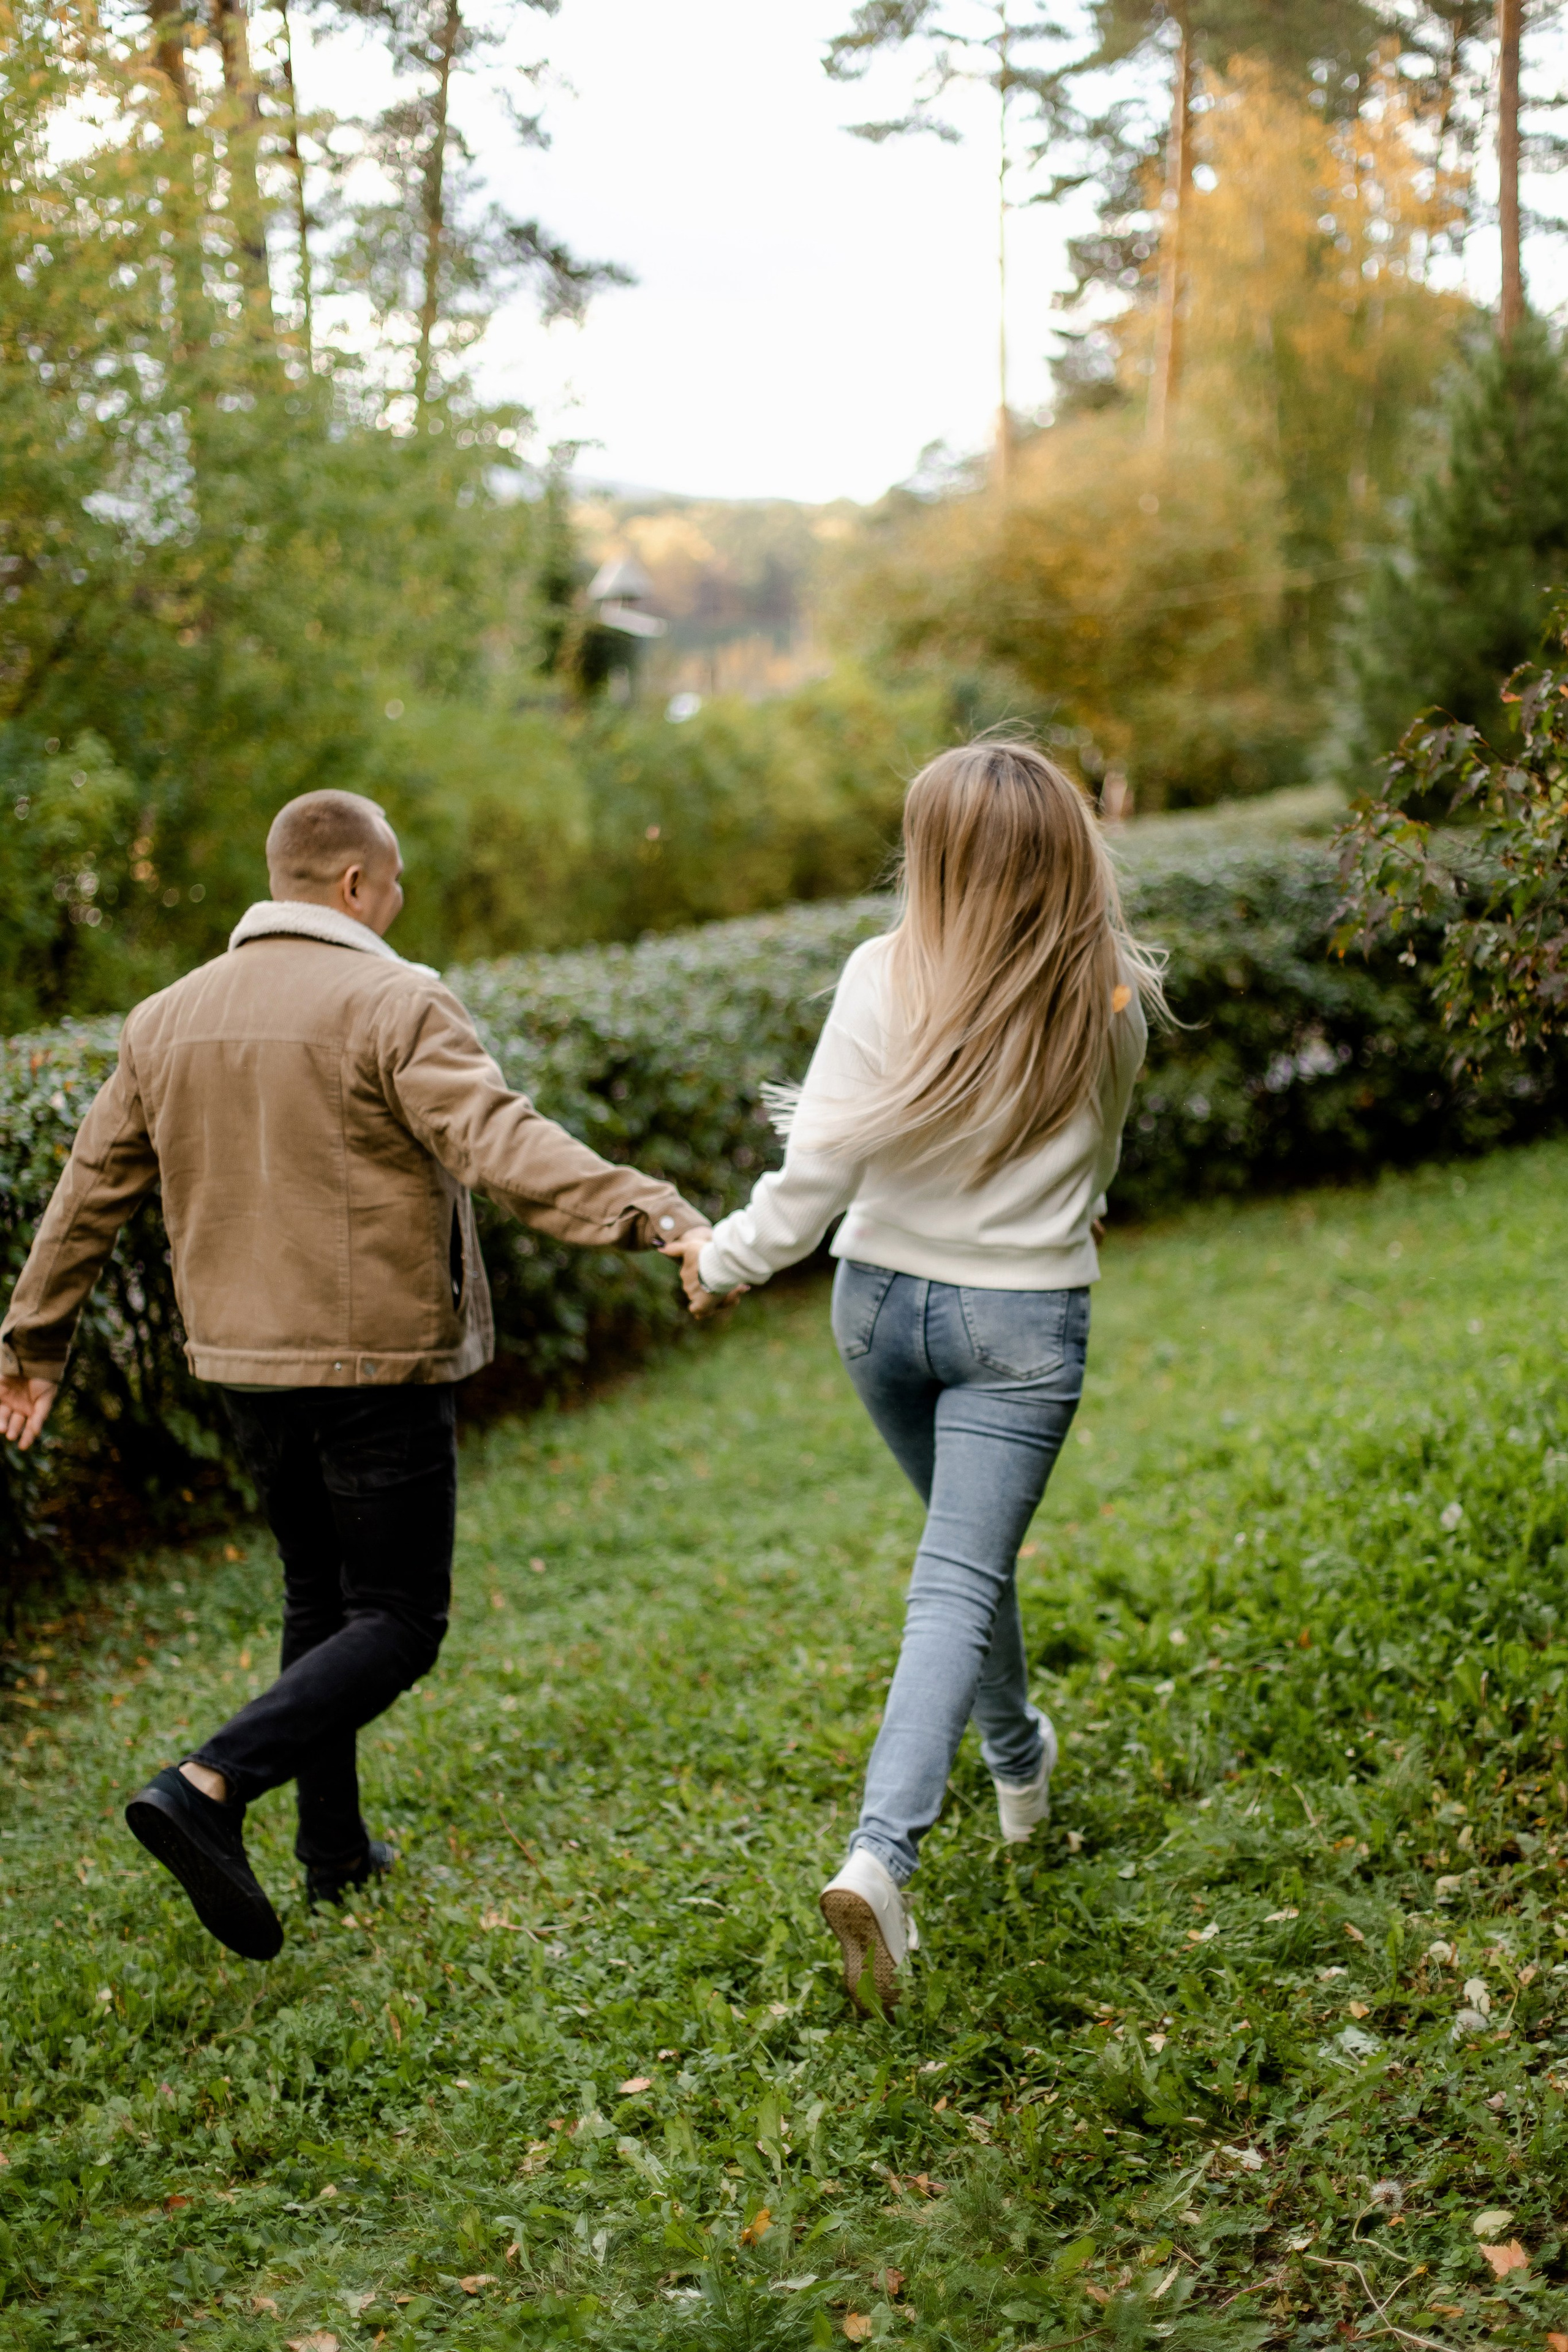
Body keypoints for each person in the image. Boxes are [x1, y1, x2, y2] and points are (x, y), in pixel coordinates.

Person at [0, 790, 713, 1963]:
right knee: (398, 1620)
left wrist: (32, 1351)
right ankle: (208, 1785)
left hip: (241, 1368)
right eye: (392, 886)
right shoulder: (394, 998)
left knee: (318, 1601)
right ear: (352, 887)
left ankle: (332, 1852)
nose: (396, 906)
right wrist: (655, 1213)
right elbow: (502, 1142)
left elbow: (85, 1199)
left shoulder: (163, 1019)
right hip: (375, 1361)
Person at [679, 741, 1164, 2008]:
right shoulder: (1108, 990)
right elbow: (1100, 1155)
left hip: (878, 1308)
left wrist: (722, 1260)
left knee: (963, 1565)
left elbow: (816, 1174)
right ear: (1067, 848)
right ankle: (878, 1857)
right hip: (1021, 1326)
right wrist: (1072, 1205)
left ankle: (1017, 1764)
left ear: (933, 856)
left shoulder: (880, 974)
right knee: (955, 1577)